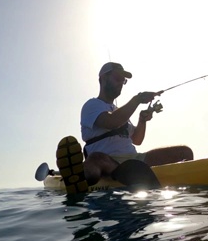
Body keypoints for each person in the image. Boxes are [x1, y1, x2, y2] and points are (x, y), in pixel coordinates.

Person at [56, 62, 193, 194]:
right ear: (103, 78)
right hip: (108, 161)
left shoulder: (121, 112)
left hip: (135, 160)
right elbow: (111, 122)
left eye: (124, 81)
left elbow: (137, 140)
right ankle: (79, 177)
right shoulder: (91, 105)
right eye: (117, 78)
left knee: (185, 152)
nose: (121, 83)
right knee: (96, 160)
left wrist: (142, 120)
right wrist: (137, 99)